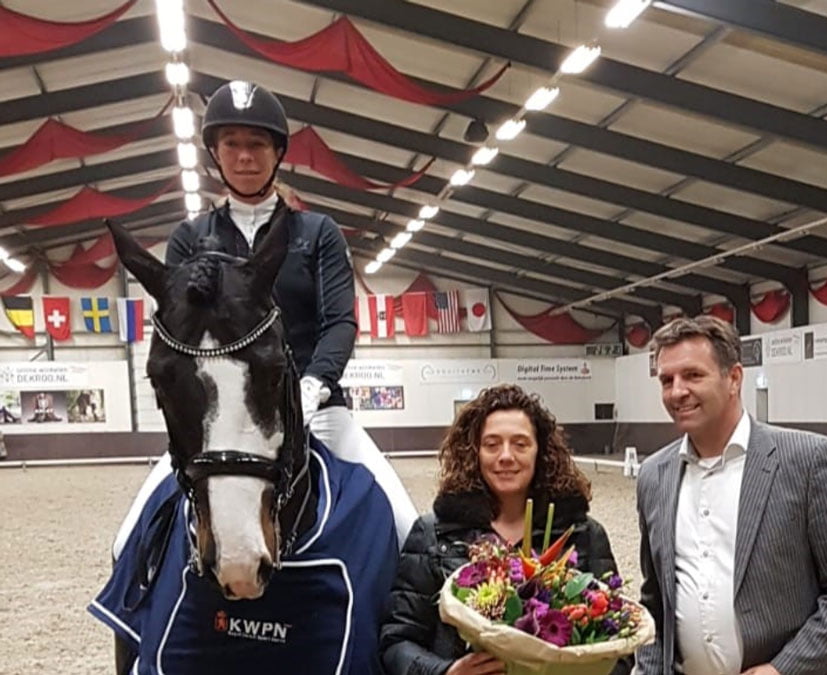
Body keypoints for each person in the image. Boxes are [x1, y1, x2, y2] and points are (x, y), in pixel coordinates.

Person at [112, 80, 417, 559]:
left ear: (277, 152)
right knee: (128, 539)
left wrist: (313, 385)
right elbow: (176, 340)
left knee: (406, 527)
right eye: (231, 144)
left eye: (256, 144)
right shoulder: (189, 239)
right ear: (215, 152)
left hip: (318, 411)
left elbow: (339, 322)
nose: (245, 156)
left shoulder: (319, 234)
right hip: (220, 421)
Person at [635, 316, 827, 675]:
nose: (677, 392)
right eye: (666, 380)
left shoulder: (808, 460)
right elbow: (656, 600)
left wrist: (784, 668)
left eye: (693, 375)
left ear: (734, 378)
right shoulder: (653, 476)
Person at [380, 384, 628, 675]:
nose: (506, 456)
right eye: (492, 444)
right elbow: (396, 641)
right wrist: (444, 672)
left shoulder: (582, 536)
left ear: (541, 452)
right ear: (474, 452)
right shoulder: (434, 534)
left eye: (520, 444)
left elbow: (620, 644)